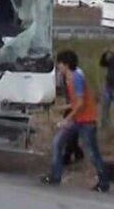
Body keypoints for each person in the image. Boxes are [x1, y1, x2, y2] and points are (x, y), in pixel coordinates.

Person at [42, 50, 109, 192]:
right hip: (78, 119)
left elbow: (80, 104)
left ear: (65, 64)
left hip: (86, 120)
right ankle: (55, 176)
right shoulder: (69, 78)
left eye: (59, 63)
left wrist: (66, 118)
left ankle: (103, 182)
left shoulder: (76, 78)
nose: (58, 66)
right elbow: (76, 103)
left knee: (92, 152)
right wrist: (62, 107)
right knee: (57, 143)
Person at [55, 69, 84, 165]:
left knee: (70, 132)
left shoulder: (76, 76)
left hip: (76, 107)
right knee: (71, 133)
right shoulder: (64, 75)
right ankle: (77, 153)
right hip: (71, 104)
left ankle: (68, 157)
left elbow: (79, 100)